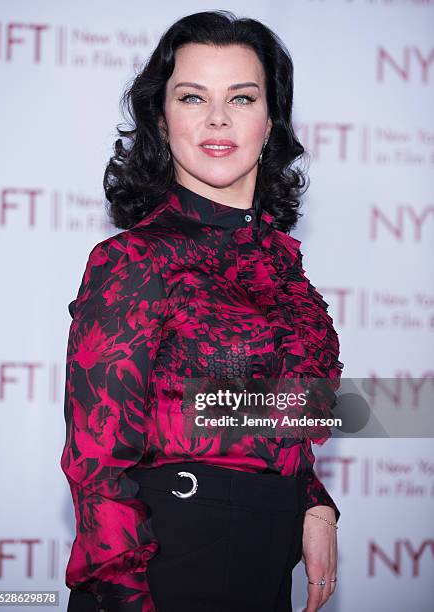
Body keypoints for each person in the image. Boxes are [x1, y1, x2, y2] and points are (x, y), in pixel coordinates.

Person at [61, 10, 343, 612]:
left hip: (266, 562)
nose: (218, 119)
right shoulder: (135, 260)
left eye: (242, 98)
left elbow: (280, 410)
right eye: (193, 97)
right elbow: (97, 465)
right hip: (167, 564)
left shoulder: (281, 266)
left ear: (271, 122)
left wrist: (312, 499)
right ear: (162, 122)